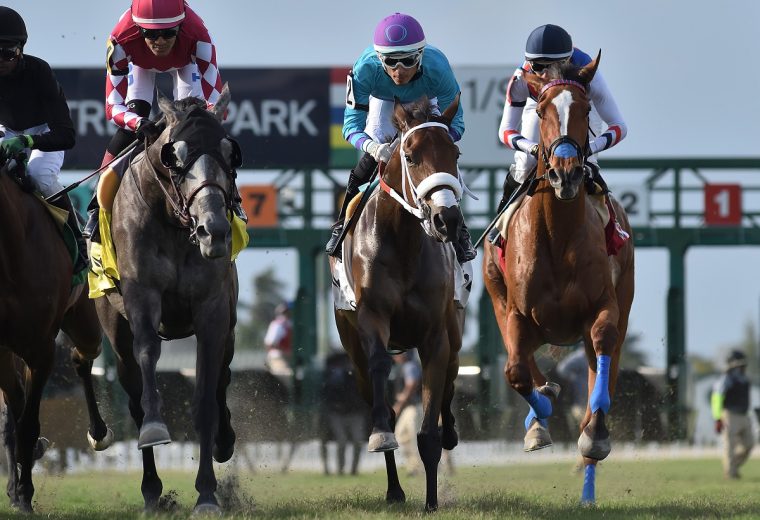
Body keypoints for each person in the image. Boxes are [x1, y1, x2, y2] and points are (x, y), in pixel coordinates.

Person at [83, 0, 245, 241]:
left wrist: (205, 119)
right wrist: (138, 123)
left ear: (180, 27)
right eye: (150, 34)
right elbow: (112, 107)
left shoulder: (199, 37)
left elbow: (215, 103)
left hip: (186, 66)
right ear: (138, 30)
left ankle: (234, 199)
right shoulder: (120, 41)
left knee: (197, 129)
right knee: (127, 132)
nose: (159, 42)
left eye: (169, 33)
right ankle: (96, 206)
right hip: (139, 67)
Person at [325, 12, 475, 264]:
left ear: (420, 55)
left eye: (407, 61)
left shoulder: (438, 68)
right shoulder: (365, 69)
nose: (398, 70)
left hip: (426, 100)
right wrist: (373, 148)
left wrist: (436, 142)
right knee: (368, 164)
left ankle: (460, 231)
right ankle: (342, 224)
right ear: (378, 58)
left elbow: (457, 123)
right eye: (390, 61)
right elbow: (350, 126)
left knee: (437, 160)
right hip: (383, 104)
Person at [496, 24, 628, 211]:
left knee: (587, 166)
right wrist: (532, 148)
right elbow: (505, 130)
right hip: (541, 105)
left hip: (580, 103)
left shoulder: (589, 74)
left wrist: (590, 149)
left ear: (568, 61)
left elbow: (619, 126)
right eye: (538, 66)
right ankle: (500, 225)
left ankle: (612, 229)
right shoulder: (521, 80)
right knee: (525, 165)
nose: (545, 75)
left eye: (555, 67)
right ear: (529, 63)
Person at [0, 6, 88, 274]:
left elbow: (66, 135)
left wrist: (28, 141)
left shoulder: (40, 73)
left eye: (7, 53)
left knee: (39, 175)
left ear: (21, 50)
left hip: (42, 131)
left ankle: (77, 239)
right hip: (5, 130)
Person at [319, 351, 366, 476]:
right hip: (337, 413)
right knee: (341, 440)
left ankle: (353, 470)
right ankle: (340, 470)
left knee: (357, 440)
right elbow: (327, 394)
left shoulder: (359, 373)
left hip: (355, 413)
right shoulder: (333, 375)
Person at [711, 350, 754, 479]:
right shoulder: (726, 378)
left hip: (744, 415)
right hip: (730, 414)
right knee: (729, 445)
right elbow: (717, 398)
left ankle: (732, 466)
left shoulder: (745, 379)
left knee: (749, 443)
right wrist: (717, 417)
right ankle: (730, 473)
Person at [264, 303, 293, 376]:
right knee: (288, 375)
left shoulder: (290, 324)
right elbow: (269, 344)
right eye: (285, 312)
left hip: (289, 358)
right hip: (278, 357)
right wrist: (285, 351)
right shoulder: (278, 325)